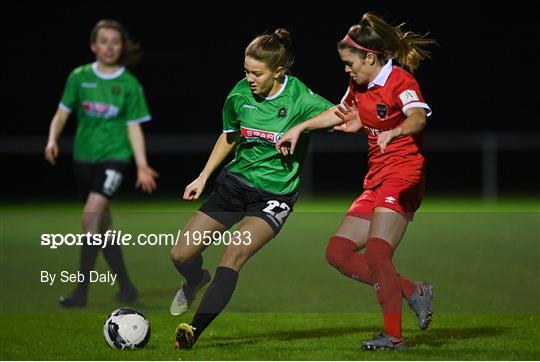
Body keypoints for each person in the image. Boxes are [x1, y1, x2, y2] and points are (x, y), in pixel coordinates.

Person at [276, 12, 437, 350]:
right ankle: (412, 290)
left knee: (378, 253)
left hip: (404, 175)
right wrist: (300, 127)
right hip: (377, 178)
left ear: (370, 56)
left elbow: (418, 117)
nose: (346, 69)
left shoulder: (401, 82)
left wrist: (395, 130)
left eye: (350, 63)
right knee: (338, 251)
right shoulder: (359, 84)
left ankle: (393, 337)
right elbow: (340, 111)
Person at [169, 28, 334, 349]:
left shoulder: (299, 96)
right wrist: (203, 176)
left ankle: (192, 331)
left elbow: (342, 114)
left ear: (279, 72)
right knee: (180, 254)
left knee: (233, 254)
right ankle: (194, 280)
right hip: (234, 185)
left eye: (257, 73)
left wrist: (301, 127)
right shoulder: (239, 94)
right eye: (246, 71)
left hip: (274, 196)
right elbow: (229, 135)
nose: (250, 78)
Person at [45, 19, 158, 307]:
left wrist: (142, 164)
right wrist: (52, 139)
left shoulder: (129, 85)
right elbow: (61, 113)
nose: (110, 47)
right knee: (102, 227)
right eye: (104, 41)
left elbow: (134, 127)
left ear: (122, 47)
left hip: (115, 159)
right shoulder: (79, 77)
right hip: (84, 160)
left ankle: (81, 292)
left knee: (90, 218)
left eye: (115, 41)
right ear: (93, 45)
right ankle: (128, 287)